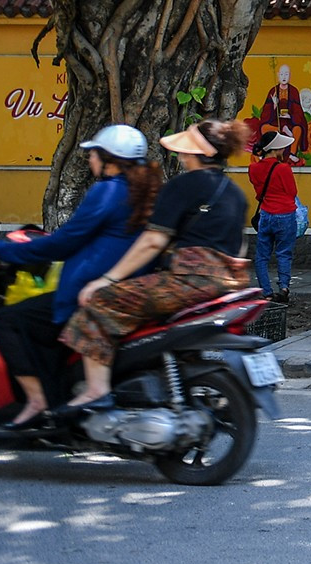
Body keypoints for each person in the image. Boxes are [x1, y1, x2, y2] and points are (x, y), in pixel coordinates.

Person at [60, 120, 252, 411]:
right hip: (228, 285)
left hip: (188, 283)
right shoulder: (234, 192)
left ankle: (96, 391)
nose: (180, 156)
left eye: (184, 151)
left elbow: (152, 241)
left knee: (96, 305)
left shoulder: (184, 185)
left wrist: (107, 280)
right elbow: (239, 245)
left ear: (193, 153)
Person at [0, 125, 160, 429]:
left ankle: (37, 400)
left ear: (109, 159)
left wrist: (4, 250)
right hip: (128, 293)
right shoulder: (143, 192)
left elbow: (65, 242)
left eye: (93, 154)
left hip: (91, 294)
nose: (90, 160)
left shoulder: (107, 191)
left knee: (9, 319)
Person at [248, 127, 300, 300]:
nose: (283, 150)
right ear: (276, 149)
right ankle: (284, 288)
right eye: (281, 148)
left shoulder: (253, 168)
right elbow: (292, 192)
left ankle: (266, 292)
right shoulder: (283, 169)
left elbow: (258, 192)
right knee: (284, 253)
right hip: (285, 214)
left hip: (265, 215)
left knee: (262, 256)